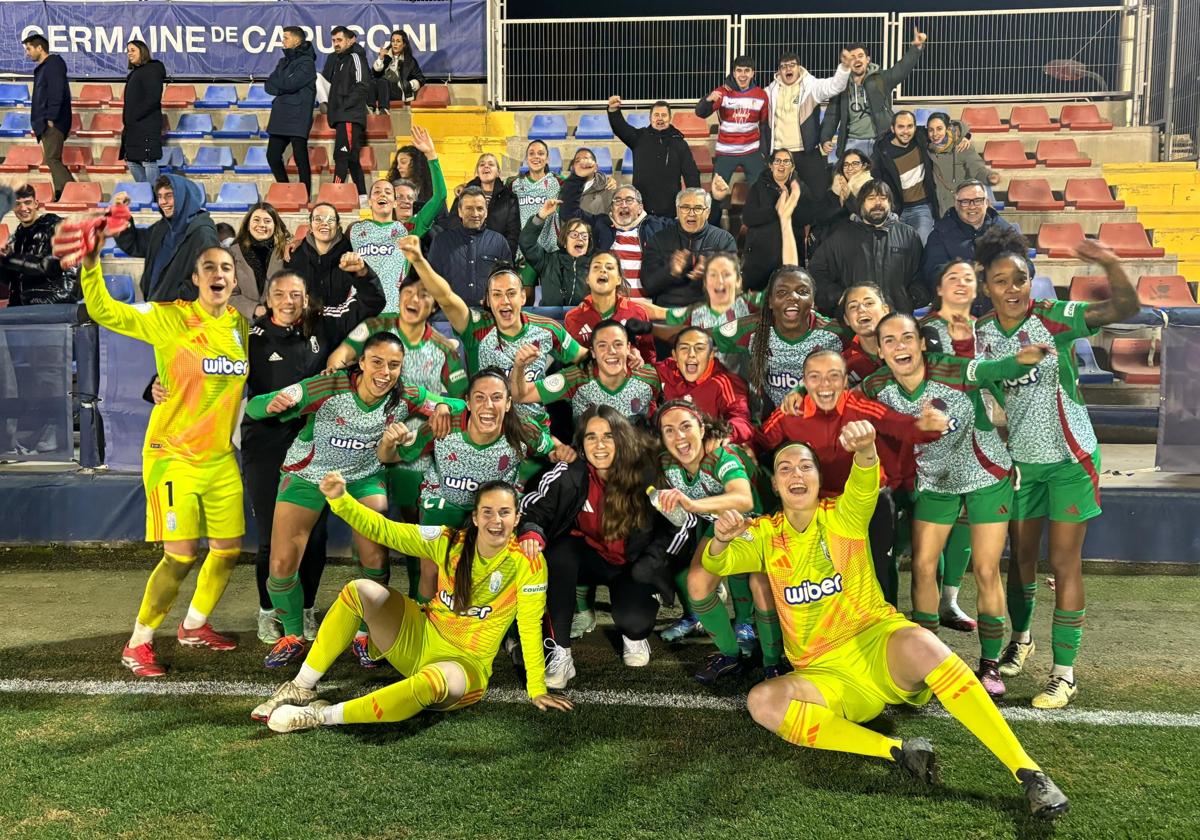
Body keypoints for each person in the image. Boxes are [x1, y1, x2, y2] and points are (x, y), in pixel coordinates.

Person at [702, 424, 1069, 820]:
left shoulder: (842, 517)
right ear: (774, 484)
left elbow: (862, 484)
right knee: (762, 702)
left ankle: (1029, 772)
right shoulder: (763, 534)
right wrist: (722, 537)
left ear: (819, 478)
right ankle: (897, 750)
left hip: (878, 646)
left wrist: (866, 450)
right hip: (826, 675)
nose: (796, 475)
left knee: (922, 643)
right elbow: (715, 561)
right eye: (785, 469)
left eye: (805, 467)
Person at [54, 223, 247, 678]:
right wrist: (90, 262)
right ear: (197, 279)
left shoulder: (240, 325)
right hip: (172, 455)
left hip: (220, 459)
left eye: (226, 268)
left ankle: (194, 626)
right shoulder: (168, 317)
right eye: (209, 268)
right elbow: (104, 312)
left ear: (234, 280)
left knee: (228, 549)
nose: (218, 274)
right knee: (180, 555)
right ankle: (138, 642)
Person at [253, 476, 573, 732]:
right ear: (475, 517)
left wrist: (536, 688)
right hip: (418, 640)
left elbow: (529, 625)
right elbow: (388, 531)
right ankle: (300, 687)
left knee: (431, 682)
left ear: (517, 518)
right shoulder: (449, 541)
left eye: (505, 512)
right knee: (358, 590)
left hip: (463, 669)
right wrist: (341, 500)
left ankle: (321, 716)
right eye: (487, 511)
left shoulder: (527, 562)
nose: (496, 520)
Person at [974, 229, 1138, 709]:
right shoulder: (981, 334)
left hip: (1071, 461)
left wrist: (1108, 262)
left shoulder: (1054, 319)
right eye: (1000, 280)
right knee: (1020, 561)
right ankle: (1020, 641)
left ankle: (1063, 674)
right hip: (1022, 463)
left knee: (1064, 562)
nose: (1011, 289)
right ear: (986, 285)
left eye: (1020, 279)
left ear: (1031, 281)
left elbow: (1123, 310)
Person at [245, 331, 461, 668]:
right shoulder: (326, 387)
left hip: (363, 478)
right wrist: (271, 404)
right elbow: (257, 407)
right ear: (361, 363)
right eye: (377, 362)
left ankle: (366, 633)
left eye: (393, 365)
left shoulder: (405, 395)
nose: (385, 372)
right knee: (282, 566)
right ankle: (293, 637)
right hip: (308, 476)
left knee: (375, 556)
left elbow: (462, 405)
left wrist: (445, 404)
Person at [864, 312, 1050, 697]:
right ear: (880, 350)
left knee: (984, 569)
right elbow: (839, 397)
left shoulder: (953, 370)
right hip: (934, 480)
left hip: (985, 473)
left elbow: (996, 368)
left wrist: (1022, 360)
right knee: (922, 565)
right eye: (890, 341)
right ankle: (930, 660)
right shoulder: (876, 385)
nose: (900, 346)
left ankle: (990, 664)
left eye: (907, 338)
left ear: (920, 343)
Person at [242, 268, 386, 645]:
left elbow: (374, 304)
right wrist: (157, 384)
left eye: (296, 295)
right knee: (274, 536)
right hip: (267, 442)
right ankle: (268, 611)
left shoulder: (323, 326)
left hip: (315, 442)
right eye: (281, 295)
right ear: (268, 300)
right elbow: (219, 371)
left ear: (306, 299)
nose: (289, 302)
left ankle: (304, 609)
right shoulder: (249, 338)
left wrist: (365, 274)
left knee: (317, 535)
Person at [520, 406, 696, 685]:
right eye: (591, 437)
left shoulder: (647, 473)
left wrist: (652, 563)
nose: (599, 445)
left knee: (635, 621)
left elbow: (683, 524)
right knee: (558, 554)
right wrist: (531, 532)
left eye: (608, 436)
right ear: (581, 442)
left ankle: (635, 636)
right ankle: (561, 653)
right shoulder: (572, 471)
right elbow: (533, 508)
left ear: (622, 438)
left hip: (631, 565)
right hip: (589, 555)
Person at [761, 348, 946, 606]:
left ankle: (886, 628)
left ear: (845, 381)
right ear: (804, 381)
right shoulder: (789, 413)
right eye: (815, 377)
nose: (825, 385)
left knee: (879, 567)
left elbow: (899, 425)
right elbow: (757, 443)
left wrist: (924, 427)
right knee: (821, 576)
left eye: (833, 376)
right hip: (819, 507)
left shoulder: (859, 405)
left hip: (868, 502)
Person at [400, 235, 585, 433]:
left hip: (534, 435)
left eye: (511, 293)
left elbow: (586, 360)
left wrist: (555, 387)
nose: (504, 301)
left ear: (523, 296)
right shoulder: (475, 327)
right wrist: (419, 261)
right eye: (497, 294)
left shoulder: (548, 329)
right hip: (488, 432)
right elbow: (445, 297)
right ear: (487, 300)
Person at [654, 401, 776, 683]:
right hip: (723, 524)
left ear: (702, 427)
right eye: (669, 430)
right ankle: (731, 655)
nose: (679, 437)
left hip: (765, 524)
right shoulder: (665, 461)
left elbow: (744, 499)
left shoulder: (722, 454)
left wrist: (692, 504)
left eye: (686, 426)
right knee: (697, 584)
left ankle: (772, 661)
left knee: (760, 586)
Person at [382, 368, 558, 528]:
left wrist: (560, 452)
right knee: (432, 552)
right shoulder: (444, 424)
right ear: (468, 402)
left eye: (496, 398)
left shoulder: (523, 430)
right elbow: (390, 456)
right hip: (444, 503)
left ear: (508, 403)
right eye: (479, 397)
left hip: (494, 512)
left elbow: (555, 452)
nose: (488, 405)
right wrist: (389, 443)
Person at [918, 261, 989, 632]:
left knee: (964, 519)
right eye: (952, 278)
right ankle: (924, 608)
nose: (961, 284)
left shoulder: (985, 331)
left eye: (969, 279)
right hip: (934, 436)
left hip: (975, 435)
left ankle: (949, 601)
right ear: (939, 288)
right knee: (929, 527)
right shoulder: (925, 329)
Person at [349, 126, 445, 313]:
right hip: (360, 312)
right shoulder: (355, 230)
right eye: (376, 191)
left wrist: (431, 155)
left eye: (387, 192)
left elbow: (440, 196)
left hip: (395, 312)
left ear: (394, 202)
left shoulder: (409, 229)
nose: (381, 194)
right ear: (369, 201)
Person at [809, 179, 924, 315]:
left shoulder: (908, 235)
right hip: (856, 321)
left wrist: (914, 295)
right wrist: (838, 296)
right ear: (861, 204)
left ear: (891, 203)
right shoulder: (841, 236)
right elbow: (816, 271)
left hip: (898, 320)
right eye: (871, 198)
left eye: (883, 198)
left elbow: (922, 272)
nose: (878, 203)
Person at [512, 319, 661, 422]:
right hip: (588, 461)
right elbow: (521, 396)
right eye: (602, 345)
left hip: (636, 459)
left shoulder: (650, 376)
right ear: (593, 352)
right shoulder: (576, 378)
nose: (611, 351)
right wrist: (519, 366)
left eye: (618, 344)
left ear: (628, 348)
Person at [819, 28, 928, 161]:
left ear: (867, 59)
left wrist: (916, 49)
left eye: (860, 56)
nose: (857, 60)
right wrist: (825, 138)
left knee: (883, 180)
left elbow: (902, 68)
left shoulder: (881, 78)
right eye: (852, 57)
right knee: (854, 180)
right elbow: (832, 115)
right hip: (853, 143)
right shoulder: (840, 85)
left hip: (881, 141)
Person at [559, 173, 670, 301]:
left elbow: (685, 225)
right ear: (611, 208)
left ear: (640, 208)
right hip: (609, 309)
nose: (623, 205)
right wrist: (578, 177)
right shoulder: (601, 224)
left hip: (647, 309)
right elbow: (569, 212)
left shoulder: (656, 226)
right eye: (618, 201)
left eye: (629, 200)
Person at [112, 174, 220, 302]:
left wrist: (175, 298)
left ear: (184, 197)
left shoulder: (203, 233)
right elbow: (136, 244)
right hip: (156, 310)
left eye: (169, 196)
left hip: (181, 314)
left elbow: (209, 278)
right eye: (159, 197)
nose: (162, 202)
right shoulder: (163, 226)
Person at [659, 252, 760, 378]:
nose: (720, 280)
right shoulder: (695, 313)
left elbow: (787, 281)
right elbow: (662, 317)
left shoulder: (751, 305)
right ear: (705, 282)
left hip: (741, 391)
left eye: (726, 274)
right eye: (713, 275)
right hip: (703, 389)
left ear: (738, 281)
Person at [763, 50, 851, 196]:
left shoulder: (811, 87)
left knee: (818, 194)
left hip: (807, 152)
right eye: (784, 66)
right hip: (780, 154)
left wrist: (844, 67)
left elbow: (836, 86)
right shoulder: (769, 92)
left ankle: (814, 220)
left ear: (799, 68)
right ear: (779, 71)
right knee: (777, 196)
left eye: (792, 65)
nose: (788, 69)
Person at [921, 179, 1022, 297]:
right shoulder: (939, 234)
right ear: (957, 205)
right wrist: (970, 271)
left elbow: (1027, 266)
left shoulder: (1005, 230)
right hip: (957, 304)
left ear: (986, 203)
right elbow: (932, 273)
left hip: (997, 304)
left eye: (978, 200)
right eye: (965, 202)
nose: (972, 207)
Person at [654, 327, 754, 445]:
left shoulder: (725, 383)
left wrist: (724, 435)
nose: (691, 354)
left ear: (711, 354)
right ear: (674, 355)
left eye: (699, 348)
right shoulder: (665, 370)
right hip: (672, 447)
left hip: (707, 450)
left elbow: (742, 421)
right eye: (684, 348)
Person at [641, 187, 737, 308]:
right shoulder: (659, 239)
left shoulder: (724, 240)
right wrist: (671, 272)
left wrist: (709, 276)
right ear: (677, 211)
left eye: (698, 208)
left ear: (707, 212)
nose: (691, 213)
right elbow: (648, 286)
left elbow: (733, 285)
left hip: (708, 309)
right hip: (668, 311)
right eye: (685, 208)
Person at [607, 97, 701, 218]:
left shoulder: (679, 143)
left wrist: (694, 201)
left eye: (664, 115)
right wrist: (613, 110)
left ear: (670, 118)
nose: (660, 118)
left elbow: (691, 174)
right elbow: (621, 128)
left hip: (670, 211)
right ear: (650, 118)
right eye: (656, 115)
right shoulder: (638, 138)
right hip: (641, 210)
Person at [740, 157, 824, 290]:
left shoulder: (801, 188)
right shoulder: (758, 186)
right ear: (771, 166)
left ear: (792, 167)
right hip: (761, 250)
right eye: (777, 161)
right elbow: (749, 218)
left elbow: (808, 217)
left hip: (791, 247)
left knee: (789, 287)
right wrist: (776, 212)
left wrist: (788, 214)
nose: (782, 165)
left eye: (786, 161)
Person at [564, 250, 656, 362]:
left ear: (619, 279)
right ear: (587, 279)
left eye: (609, 267)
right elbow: (569, 362)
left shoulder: (637, 312)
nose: (603, 270)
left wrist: (639, 361)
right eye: (596, 267)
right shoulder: (573, 318)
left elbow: (650, 360)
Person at [427, 186, 513, 305]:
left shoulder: (499, 242)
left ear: (486, 212)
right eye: (469, 208)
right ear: (460, 211)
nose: (475, 214)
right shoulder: (441, 241)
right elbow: (431, 281)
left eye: (480, 208)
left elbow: (507, 282)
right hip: (448, 316)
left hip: (488, 315)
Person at [694, 55, 770, 190]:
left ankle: (754, 212)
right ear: (734, 73)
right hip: (726, 151)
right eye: (739, 70)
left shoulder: (761, 95)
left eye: (747, 70)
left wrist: (764, 152)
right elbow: (700, 113)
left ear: (753, 73)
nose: (743, 74)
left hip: (751, 150)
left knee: (760, 192)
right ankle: (716, 212)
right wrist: (708, 99)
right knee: (717, 192)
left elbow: (764, 127)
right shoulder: (723, 92)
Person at [282, 203, 374, 307]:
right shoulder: (293, 255)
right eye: (318, 219)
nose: (324, 223)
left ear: (338, 226)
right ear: (310, 227)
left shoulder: (352, 256)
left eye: (330, 220)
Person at [0, 184, 78, 306]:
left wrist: (10, 259)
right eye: (17, 204)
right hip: (25, 303)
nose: (23, 208)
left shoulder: (54, 226)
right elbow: (11, 279)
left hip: (56, 300)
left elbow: (46, 266)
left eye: (27, 202)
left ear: (36, 204)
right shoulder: (16, 237)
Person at [265, 26, 317, 200]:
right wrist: (283, 85)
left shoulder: (308, 63)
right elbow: (269, 85)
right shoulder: (283, 61)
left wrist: (282, 85)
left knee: (301, 158)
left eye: (286, 37)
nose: (283, 41)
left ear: (297, 40)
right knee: (272, 156)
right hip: (280, 114)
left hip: (298, 115)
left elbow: (290, 84)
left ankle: (304, 196)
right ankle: (285, 189)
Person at [872, 111, 940, 244]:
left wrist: (964, 135)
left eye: (910, 126)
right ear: (892, 128)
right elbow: (876, 181)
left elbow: (948, 127)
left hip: (922, 207)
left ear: (916, 127)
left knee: (922, 245)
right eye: (901, 127)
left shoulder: (920, 138)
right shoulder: (882, 151)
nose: (906, 131)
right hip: (895, 210)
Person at [322, 25, 370, 204]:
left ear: (351, 40)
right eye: (334, 41)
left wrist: (343, 108)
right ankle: (363, 198)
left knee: (341, 156)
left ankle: (335, 197)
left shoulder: (355, 57)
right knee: (351, 158)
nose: (336, 44)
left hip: (349, 116)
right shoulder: (336, 60)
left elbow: (362, 85)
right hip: (341, 116)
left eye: (339, 40)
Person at [23, 34, 74, 197]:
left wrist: (51, 117)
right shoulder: (47, 66)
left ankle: (72, 191)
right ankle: (61, 192)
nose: (27, 53)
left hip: (52, 121)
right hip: (46, 121)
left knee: (52, 159)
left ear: (40, 48)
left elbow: (56, 92)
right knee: (53, 159)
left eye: (29, 49)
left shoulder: (53, 64)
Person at [519, 200, 593, 307]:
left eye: (584, 236)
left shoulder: (594, 266)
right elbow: (527, 243)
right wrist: (540, 216)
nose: (580, 239)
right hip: (550, 320)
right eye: (574, 235)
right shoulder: (547, 261)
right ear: (564, 241)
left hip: (582, 320)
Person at [510, 140, 563, 285]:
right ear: (526, 159)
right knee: (525, 295)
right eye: (531, 153)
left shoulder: (558, 182)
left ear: (547, 159)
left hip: (551, 249)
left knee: (552, 299)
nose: (536, 157)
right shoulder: (514, 184)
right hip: (526, 249)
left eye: (541, 153)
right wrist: (467, 185)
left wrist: (604, 181)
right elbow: (492, 188)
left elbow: (582, 184)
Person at [925, 113, 1000, 215]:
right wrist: (966, 134)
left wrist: (988, 176)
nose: (935, 134)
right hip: (940, 207)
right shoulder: (926, 148)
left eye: (939, 129)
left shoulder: (962, 146)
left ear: (947, 128)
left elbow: (976, 168)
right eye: (931, 130)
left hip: (964, 204)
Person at [450, 153, 520, 257]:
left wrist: (503, 260)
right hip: (465, 255)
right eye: (482, 164)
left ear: (498, 172)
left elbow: (512, 235)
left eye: (491, 164)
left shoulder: (509, 198)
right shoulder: (463, 195)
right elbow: (453, 224)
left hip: (495, 258)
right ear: (477, 172)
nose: (486, 166)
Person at [230, 203, 288, 319]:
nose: (261, 225)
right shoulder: (231, 253)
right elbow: (228, 294)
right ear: (248, 225)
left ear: (275, 226)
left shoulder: (285, 252)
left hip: (278, 321)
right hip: (242, 322)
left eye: (267, 221)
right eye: (256, 220)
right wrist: (254, 309)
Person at [119, 40, 165, 184]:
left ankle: (154, 193)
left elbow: (153, 98)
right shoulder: (135, 73)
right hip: (133, 127)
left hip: (146, 125)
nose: (129, 54)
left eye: (133, 50)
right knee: (131, 159)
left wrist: (135, 115)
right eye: (128, 51)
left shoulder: (152, 70)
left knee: (148, 160)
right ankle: (146, 190)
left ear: (142, 51)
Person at [371, 29, 425, 113]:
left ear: (404, 44)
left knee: (382, 81)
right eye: (393, 41)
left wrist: (408, 85)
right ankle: (370, 108)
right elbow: (374, 74)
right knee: (373, 82)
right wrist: (380, 58)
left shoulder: (410, 61)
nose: (395, 44)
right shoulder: (386, 57)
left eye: (398, 41)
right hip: (383, 89)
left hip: (399, 91)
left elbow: (421, 79)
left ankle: (384, 109)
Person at [386, 142, 436, 209]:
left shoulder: (432, 189)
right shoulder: (392, 188)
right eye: (397, 163)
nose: (398, 167)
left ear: (416, 163)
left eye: (403, 162)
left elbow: (442, 216)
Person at [570, 148, 617, 217]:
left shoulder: (608, 188)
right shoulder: (564, 189)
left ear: (595, 167)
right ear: (573, 168)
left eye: (586, 160)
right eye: (578, 161)